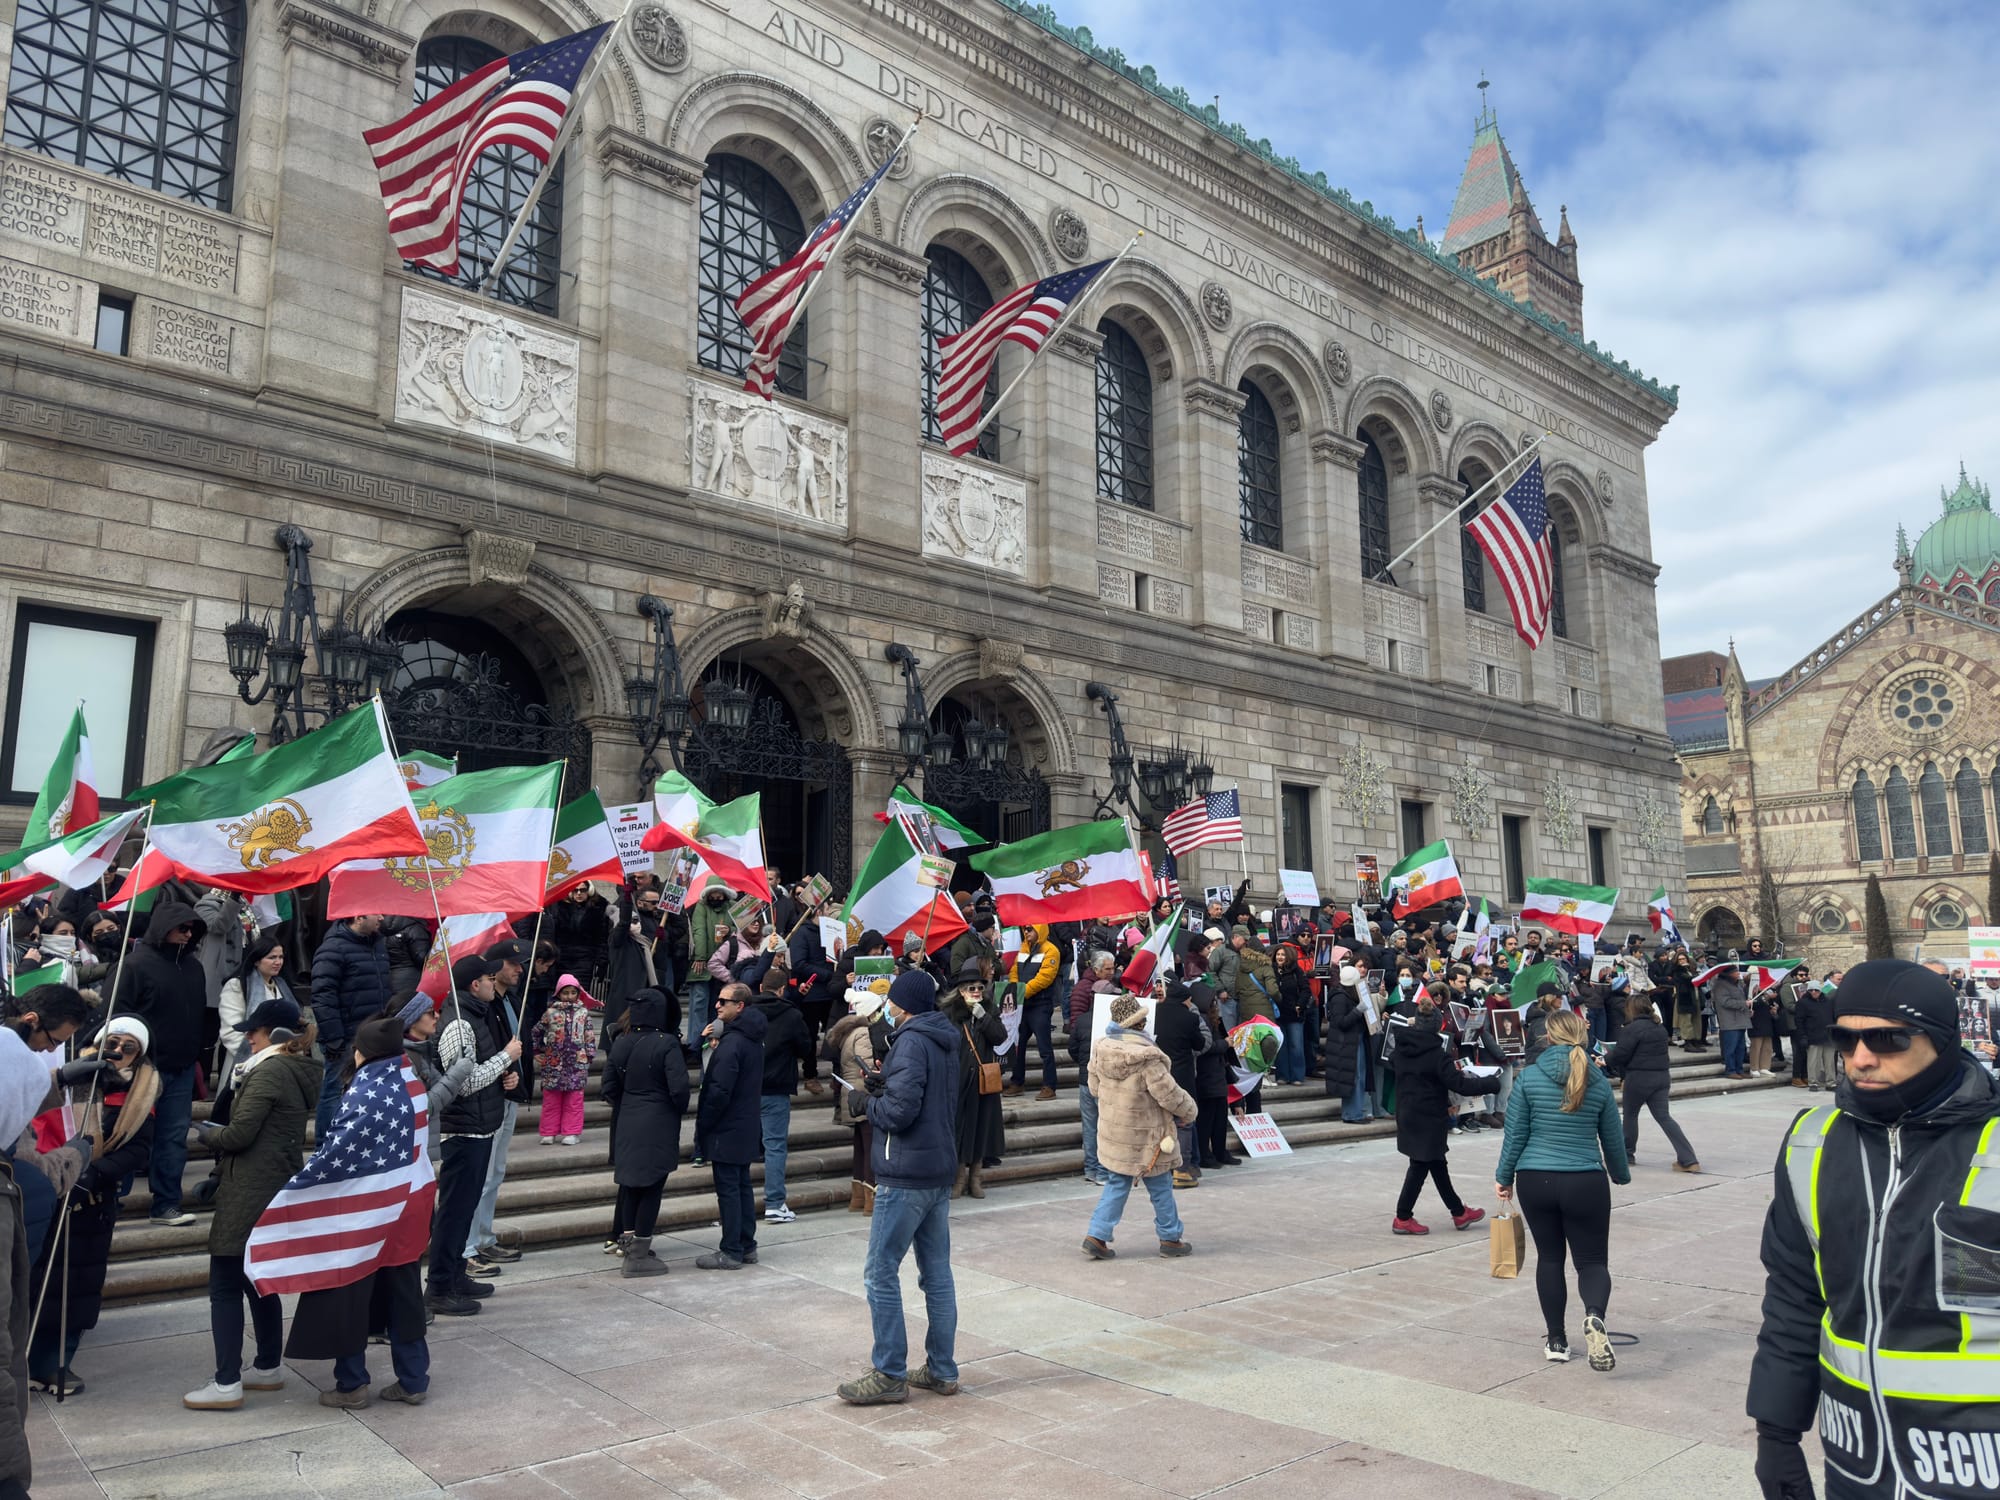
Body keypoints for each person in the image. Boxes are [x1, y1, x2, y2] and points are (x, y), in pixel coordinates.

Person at [1749, 960, 2000, 1500]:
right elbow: (1794, 1298)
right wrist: (1777, 1433)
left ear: (1942, 1041)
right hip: (1856, 1461)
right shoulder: (1811, 1142)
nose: (1860, 1058)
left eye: (1887, 1040)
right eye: (1845, 1039)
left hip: (1977, 1468)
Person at [282, 1016, 436, 1408]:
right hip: (409, 1204)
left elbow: (337, 1153)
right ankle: (414, 1379)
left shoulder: (364, 1091)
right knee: (404, 1294)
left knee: (349, 1293)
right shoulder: (411, 1080)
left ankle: (351, 1385)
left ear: (361, 1052)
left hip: (365, 1211)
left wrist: (300, 1187)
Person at [182, 997, 321, 1410]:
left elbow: (240, 1135)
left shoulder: (270, 1071)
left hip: (250, 1190)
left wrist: (205, 1132)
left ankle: (226, 1383)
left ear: (275, 1035)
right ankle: (266, 1367)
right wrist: (214, 1176)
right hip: (264, 1184)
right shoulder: (289, 1069)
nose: (248, 1038)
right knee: (256, 1281)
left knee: (224, 1285)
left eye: (254, 1031)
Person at [838, 969, 959, 1405]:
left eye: (891, 1001)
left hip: (906, 1173)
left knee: (880, 1272)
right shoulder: (943, 1038)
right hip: (937, 1169)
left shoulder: (909, 1040)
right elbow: (921, 1098)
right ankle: (942, 1369)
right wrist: (883, 1085)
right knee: (937, 1274)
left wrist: (867, 1102)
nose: (887, 1006)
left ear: (902, 1005)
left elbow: (901, 1113)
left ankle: (889, 1371)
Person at [29, 1016, 156, 1396]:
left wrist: (93, 1174)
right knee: (33, 1282)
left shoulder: (143, 1091)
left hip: (92, 1198)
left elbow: (138, 1148)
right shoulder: (66, 1079)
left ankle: (55, 1363)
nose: (117, 1052)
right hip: (46, 1190)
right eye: (111, 1043)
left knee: (76, 1288)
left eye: (128, 1047)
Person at [1497, 1009, 1630, 1369]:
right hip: (1585, 1179)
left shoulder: (1529, 1078)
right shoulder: (1597, 1080)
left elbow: (1516, 1135)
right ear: (1582, 1038)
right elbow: (1612, 1138)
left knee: (1550, 1259)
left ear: (1549, 1038)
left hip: (1535, 1178)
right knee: (1592, 1262)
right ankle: (1593, 1315)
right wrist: (1620, 1174)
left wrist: (1504, 1177)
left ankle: (1556, 1339)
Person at [427, 957, 522, 1315]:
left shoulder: (478, 1016)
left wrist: (506, 1077)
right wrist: (504, 1059)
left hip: (481, 1127)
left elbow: (481, 1072)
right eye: (487, 977)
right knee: (453, 1212)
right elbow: (461, 1084)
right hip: (462, 1130)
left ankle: (456, 1275)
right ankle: (438, 1286)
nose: (492, 981)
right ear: (473, 985)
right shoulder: (459, 1025)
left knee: (465, 1209)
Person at [1081, 993, 1197, 1260]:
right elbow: (1169, 1094)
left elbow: (1094, 1088)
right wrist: (1189, 1110)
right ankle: (1170, 1237)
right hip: (1148, 1136)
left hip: (1115, 1133)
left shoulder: (1101, 1048)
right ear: (1139, 1022)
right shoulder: (1147, 1058)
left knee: (1117, 1183)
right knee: (1160, 1187)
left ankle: (1096, 1234)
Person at [118, 898, 207, 1228]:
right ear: (162, 928)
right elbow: (118, 1015)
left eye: (193, 929)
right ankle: (110, 1201)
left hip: (181, 1067)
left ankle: (166, 1203)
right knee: (128, 1134)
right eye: (181, 928)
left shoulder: (194, 967)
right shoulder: (135, 965)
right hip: (142, 1068)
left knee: (172, 1138)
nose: (187, 934)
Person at [601, 988, 690, 1277]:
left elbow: (609, 1088)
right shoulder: (667, 1044)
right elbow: (679, 1090)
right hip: (658, 1119)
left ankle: (630, 1244)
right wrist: (671, 1107)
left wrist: (629, 1103)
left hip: (627, 1117)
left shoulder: (621, 1042)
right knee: (651, 1186)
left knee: (630, 1186)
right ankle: (638, 1253)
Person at [1386, 989, 1484, 1237]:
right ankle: (1403, 1216)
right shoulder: (1435, 1055)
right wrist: (1489, 1084)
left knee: (1437, 1163)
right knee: (1420, 1165)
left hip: (1409, 1113)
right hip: (1428, 1116)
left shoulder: (1402, 1050)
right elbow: (1459, 1084)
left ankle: (1458, 1211)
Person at [695, 983, 765, 1269]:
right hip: (745, 1124)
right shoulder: (750, 1038)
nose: (717, 1005)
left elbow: (718, 1091)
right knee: (741, 1186)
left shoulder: (734, 1043)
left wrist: (705, 1125)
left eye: (724, 1001)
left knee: (730, 1189)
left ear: (741, 1006)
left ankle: (732, 1249)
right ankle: (746, 1244)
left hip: (728, 1126)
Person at [309, 913, 392, 1143]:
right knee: (334, 1093)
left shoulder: (378, 945)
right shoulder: (333, 949)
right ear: (358, 916)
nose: (382, 918)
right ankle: (324, 1148)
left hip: (374, 1037)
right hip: (345, 1038)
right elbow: (323, 997)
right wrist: (334, 1038)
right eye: (377, 912)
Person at [1605, 996, 1699, 1173]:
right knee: (1665, 1118)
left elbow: (1620, 1055)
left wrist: (1605, 1059)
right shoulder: (1659, 1028)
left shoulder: (1632, 1029)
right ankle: (1688, 1159)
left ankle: (1627, 1154)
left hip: (1639, 1077)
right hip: (1661, 1077)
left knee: (1631, 1116)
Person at [752, 966, 812, 1223]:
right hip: (776, 1088)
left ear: (760, 988)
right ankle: (775, 1203)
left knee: (743, 1146)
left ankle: (740, 1201)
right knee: (775, 1146)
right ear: (782, 989)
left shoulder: (748, 1012)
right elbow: (805, 1048)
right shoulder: (791, 1015)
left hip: (748, 1087)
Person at [941, 962, 1005, 1199]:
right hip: (958, 1080)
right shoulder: (950, 1013)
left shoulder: (989, 1009)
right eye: (971, 988)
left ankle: (976, 1178)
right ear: (961, 991)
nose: (977, 991)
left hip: (982, 1081)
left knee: (981, 1129)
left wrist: (984, 1018)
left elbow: (1000, 1037)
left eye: (979, 987)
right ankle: (959, 1178)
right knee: (959, 1129)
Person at [827, 984, 887, 1213]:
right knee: (870, 1146)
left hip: (853, 1092)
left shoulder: (850, 1032)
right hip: (865, 1093)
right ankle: (870, 1199)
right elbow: (869, 1064)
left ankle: (858, 1198)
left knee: (861, 1146)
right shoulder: (863, 1033)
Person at [531, 974, 597, 1146]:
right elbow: (536, 1031)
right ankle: (549, 1132)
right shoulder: (550, 1012)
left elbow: (589, 1035)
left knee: (574, 1099)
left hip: (576, 1063)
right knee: (551, 1099)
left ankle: (572, 1131)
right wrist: (537, 1050)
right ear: (558, 993)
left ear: (578, 993)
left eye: (572, 992)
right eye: (565, 992)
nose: (569, 996)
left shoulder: (583, 1013)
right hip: (553, 1063)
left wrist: (589, 1055)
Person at [1069, 952, 1115, 1185]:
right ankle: (1103, 1172)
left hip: (1085, 1078)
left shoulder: (1083, 1021)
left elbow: (1072, 1049)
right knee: (1105, 1126)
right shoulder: (1112, 1022)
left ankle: (1092, 1169)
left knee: (1090, 1126)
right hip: (1103, 1080)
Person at [1005, 923, 1062, 1099]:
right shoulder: (1023, 948)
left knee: (1044, 1047)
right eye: (1024, 929)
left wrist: (1020, 992)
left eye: (1029, 929)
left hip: (1040, 1005)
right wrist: (1016, 991)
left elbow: (1044, 978)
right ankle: (1017, 1082)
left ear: (1039, 930)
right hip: (1023, 1004)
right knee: (1018, 1046)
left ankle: (1049, 1086)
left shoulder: (1051, 950)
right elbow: (1014, 971)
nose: (1026, 932)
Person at [1793, 980, 1836, 1091]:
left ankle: (1831, 1083)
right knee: (1813, 1062)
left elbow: (1834, 1017)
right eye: (1811, 990)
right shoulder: (1803, 1003)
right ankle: (1813, 1082)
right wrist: (1803, 1036)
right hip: (1812, 1036)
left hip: (1827, 1036)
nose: (1813, 992)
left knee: (1829, 1062)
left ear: (1820, 990)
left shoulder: (1828, 1002)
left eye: (1816, 990)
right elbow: (1799, 1021)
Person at [1711, 965, 1751, 1078]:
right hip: (1729, 1021)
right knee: (1731, 1047)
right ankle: (1730, 1070)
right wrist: (1743, 1004)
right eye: (1735, 971)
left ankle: (1739, 1069)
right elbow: (1725, 1002)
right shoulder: (1720, 985)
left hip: (1740, 1019)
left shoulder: (1737, 984)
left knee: (1740, 1047)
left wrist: (1747, 1009)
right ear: (1728, 974)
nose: (1738, 973)